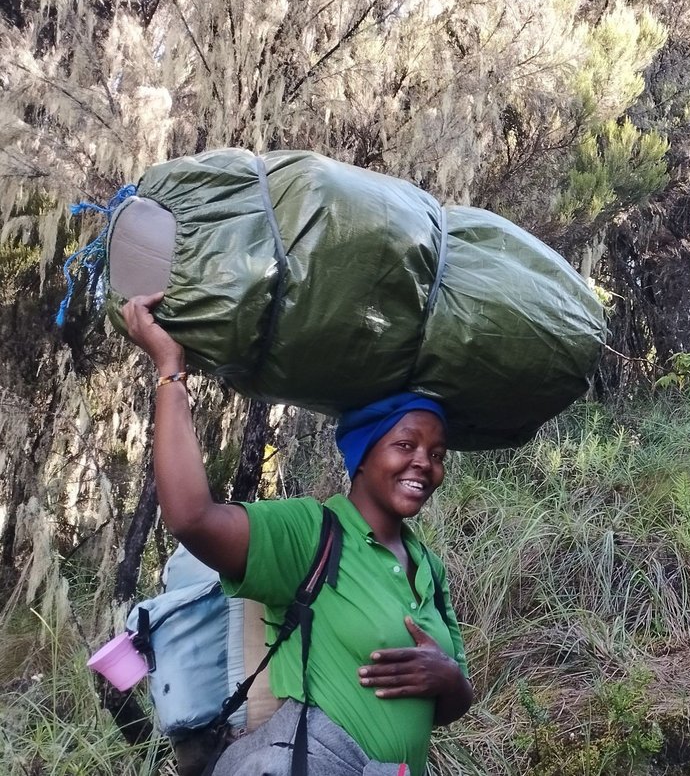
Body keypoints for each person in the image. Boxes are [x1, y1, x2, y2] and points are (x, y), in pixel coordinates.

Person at [121, 292, 474, 776]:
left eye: (437, 454)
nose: (424, 463)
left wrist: (448, 676)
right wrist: (170, 372)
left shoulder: (427, 567)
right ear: (364, 455)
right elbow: (193, 518)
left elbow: (451, 704)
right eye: (405, 444)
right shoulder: (311, 532)